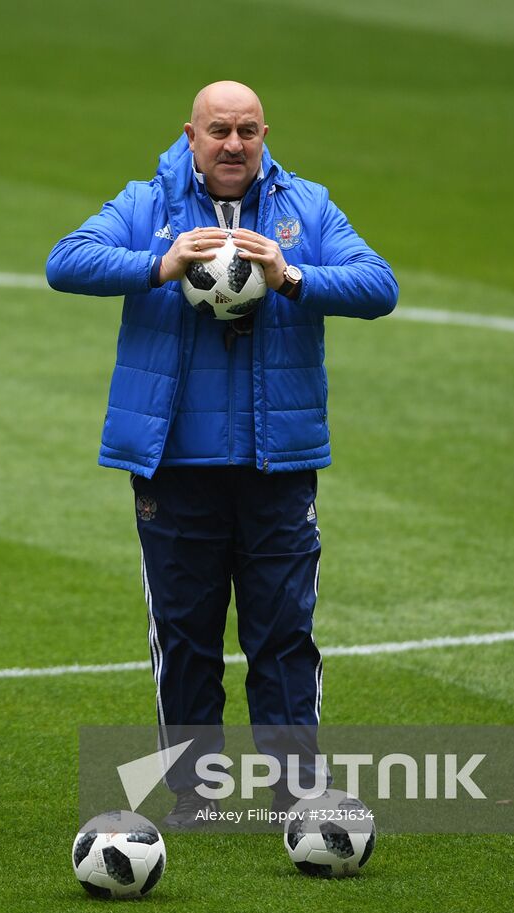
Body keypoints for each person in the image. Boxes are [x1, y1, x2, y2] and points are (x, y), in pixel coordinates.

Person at [46, 81, 398, 827]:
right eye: (219, 131)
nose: (233, 144)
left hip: (278, 464)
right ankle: (194, 795)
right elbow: (66, 260)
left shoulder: (306, 208)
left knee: (283, 633)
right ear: (191, 134)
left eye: (247, 131)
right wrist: (160, 262)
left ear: (265, 133)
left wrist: (291, 275)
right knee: (185, 635)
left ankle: (299, 796)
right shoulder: (149, 204)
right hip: (175, 464)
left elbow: (379, 285)